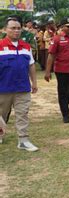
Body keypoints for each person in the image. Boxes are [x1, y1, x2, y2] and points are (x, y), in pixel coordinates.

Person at [0, 17, 38, 151]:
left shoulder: (26, 47)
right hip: (3, 89)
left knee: (22, 114)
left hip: (22, 88)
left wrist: (34, 82)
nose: (16, 31)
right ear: (5, 29)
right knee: (1, 115)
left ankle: (23, 140)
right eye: (12, 28)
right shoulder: (0, 45)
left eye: (18, 28)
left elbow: (31, 65)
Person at [44, 18, 69, 123]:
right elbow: (51, 56)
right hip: (62, 69)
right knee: (63, 92)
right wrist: (47, 71)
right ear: (62, 27)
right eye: (68, 26)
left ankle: (65, 104)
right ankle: (65, 114)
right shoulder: (57, 39)